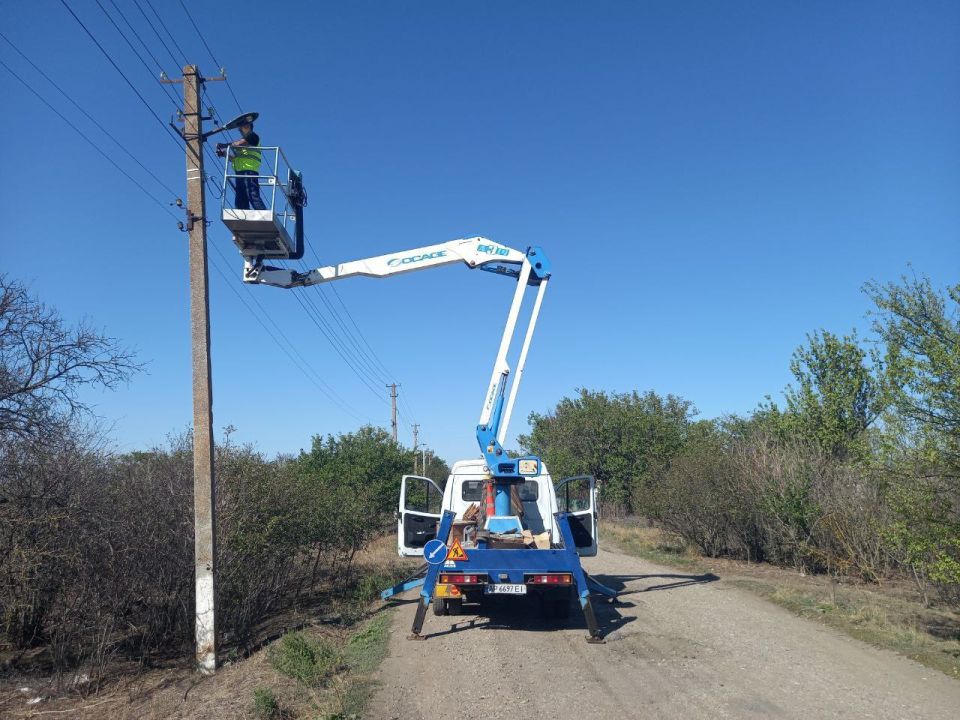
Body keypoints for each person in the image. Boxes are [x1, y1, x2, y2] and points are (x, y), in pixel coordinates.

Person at [217, 121, 265, 210]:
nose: (243, 128)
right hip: (239, 173)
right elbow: (235, 159)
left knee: (253, 196)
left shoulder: (253, 137)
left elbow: (239, 143)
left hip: (249, 171)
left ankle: (263, 215)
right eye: (242, 126)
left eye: (246, 126)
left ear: (250, 127)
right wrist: (224, 154)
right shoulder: (241, 144)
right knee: (240, 200)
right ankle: (244, 217)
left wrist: (224, 145)